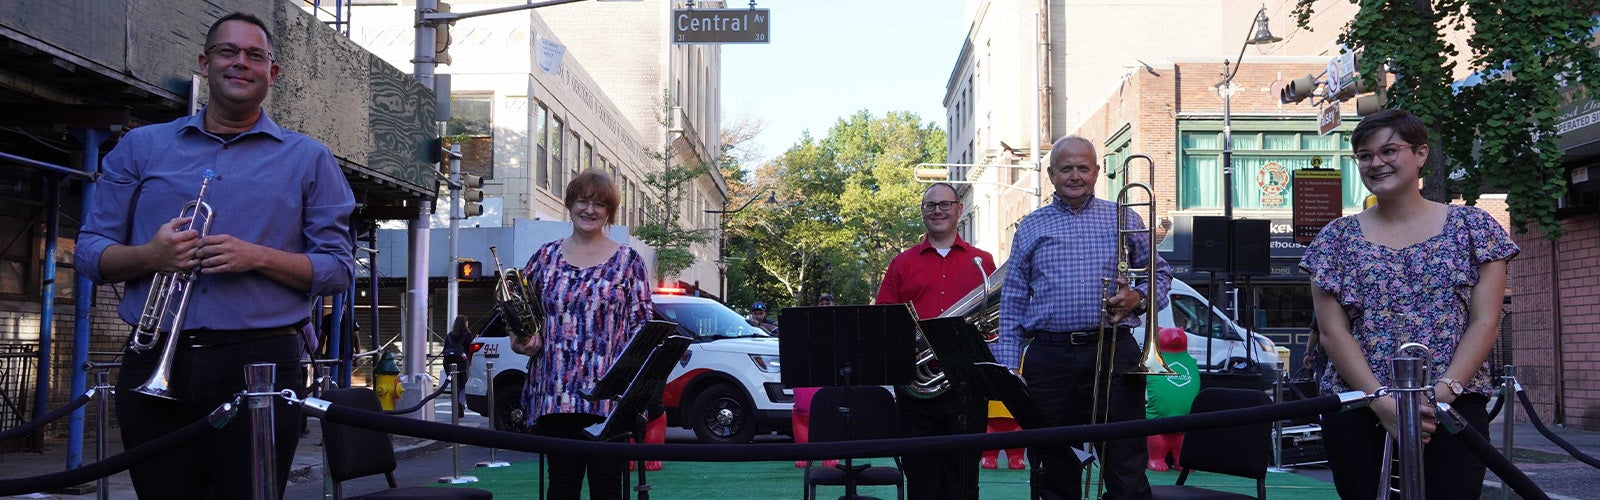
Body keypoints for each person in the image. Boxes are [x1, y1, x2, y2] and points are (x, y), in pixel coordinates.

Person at [73, 12, 354, 498]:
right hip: (155, 352)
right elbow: (89, 252)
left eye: (254, 55)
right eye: (228, 51)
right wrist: (150, 256)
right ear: (205, 64)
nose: (240, 62)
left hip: (260, 362)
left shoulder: (309, 158)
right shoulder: (141, 147)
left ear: (272, 72)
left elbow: (339, 268)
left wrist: (258, 257)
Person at [1300, 109, 1517, 499]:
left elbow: (1485, 320)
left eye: (1388, 151)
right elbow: (1333, 331)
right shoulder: (1335, 238)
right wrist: (1381, 402)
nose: (1376, 163)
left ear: (1420, 154)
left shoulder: (1474, 228)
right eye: (1364, 155)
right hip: (1359, 404)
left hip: (1452, 404)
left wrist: (1444, 392)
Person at [996, 135, 1171, 500]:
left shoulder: (1125, 216)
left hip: (1113, 353)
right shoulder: (1030, 226)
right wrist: (1010, 367)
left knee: (1125, 466)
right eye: (1066, 169)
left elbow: (1160, 274)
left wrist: (1137, 297)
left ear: (1096, 171)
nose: (1075, 176)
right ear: (1051, 174)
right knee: (1053, 468)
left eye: (1082, 168)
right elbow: (1012, 299)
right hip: (1049, 359)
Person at [516, 169, 652, 500]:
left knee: (608, 488)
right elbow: (521, 315)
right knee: (562, 488)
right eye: (582, 201)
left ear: (610, 212)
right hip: (555, 394)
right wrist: (521, 340)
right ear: (569, 204)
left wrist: (640, 394)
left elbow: (643, 328)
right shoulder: (545, 257)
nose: (589, 210)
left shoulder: (628, 261)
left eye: (599, 204)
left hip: (609, 399)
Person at [876, 182, 996, 500]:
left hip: (966, 385)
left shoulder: (983, 262)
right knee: (921, 480)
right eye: (930, 206)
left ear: (959, 209)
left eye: (945, 204)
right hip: (917, 389)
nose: (938, 211)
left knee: (964, 482)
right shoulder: (902, 263)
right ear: (922, 212)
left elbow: (995, 319)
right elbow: (884, 320)